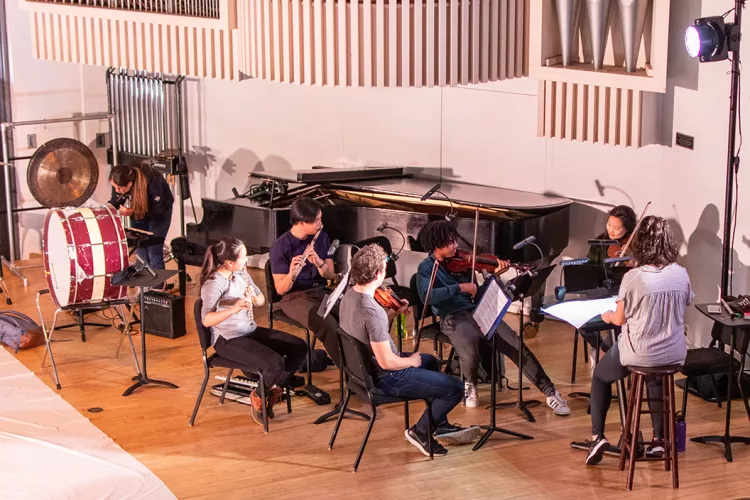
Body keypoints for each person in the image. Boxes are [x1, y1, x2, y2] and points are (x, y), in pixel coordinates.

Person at [416, 220, 570, 416]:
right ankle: (470, 385)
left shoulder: (464, 262)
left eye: (455, 240)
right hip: (452, 318)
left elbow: (478, 295)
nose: (456, 245)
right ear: (437, 245)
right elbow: (426, 296)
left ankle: (550, 392)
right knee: (470, 347)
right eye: (450, 242)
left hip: (477, 311)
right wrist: (459, 287)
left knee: (515, 344)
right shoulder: (427, 268)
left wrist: (494, 277)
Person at [339, 243, 480, 456]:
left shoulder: (349, 296)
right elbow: (387, 362)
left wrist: (394, 314)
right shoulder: (372, 311)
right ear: (378, 274)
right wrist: (410, 362)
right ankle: (420, 432)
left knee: (431, 362)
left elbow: (370, 334)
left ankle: (438, 424)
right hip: (385, 377)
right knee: (455, 388)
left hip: (362, 372)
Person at [586, 216, 692, 465]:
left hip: (640, 352)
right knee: (654, 377)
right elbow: (683, 304)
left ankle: (597, 437)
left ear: (641, 243)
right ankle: (658, 440)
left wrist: (607, 314)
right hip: (673, 353)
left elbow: (620, 319)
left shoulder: (634, 277)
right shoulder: (681, 274)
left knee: (601, 376)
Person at [200, 237, 308, 425]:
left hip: (249, 331)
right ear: (229, 263)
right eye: (243, 257)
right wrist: (234, 308)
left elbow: (261, 300)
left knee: (298, 347)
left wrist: (253, 298)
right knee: (274, 364)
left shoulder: (241, 273)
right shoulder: (213, 284)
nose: (246, 261)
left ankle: (272, 388)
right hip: (228, 340)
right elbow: (207, 320)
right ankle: (259, 396)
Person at [269, 197, 340, 367]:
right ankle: (351, 373)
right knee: (327, 325)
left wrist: (319, 262)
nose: (320, 223)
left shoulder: (321, 237)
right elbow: (280, 289)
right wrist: (291, 274)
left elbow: (330, 275)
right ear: (301, 223)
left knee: (351, 314)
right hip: (294, 297)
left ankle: (368, 365)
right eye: (316, 220)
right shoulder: (281, 247)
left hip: (320, 290)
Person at [583, 205, 638, 372]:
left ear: (628, 229)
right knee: (583, 321)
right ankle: (598, 346)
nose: (611, 231)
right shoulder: (599, 242)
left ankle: (608, 351)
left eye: (617, 228)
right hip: (600, 293)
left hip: (624, 297)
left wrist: (631, 261)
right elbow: (588, 266)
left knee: (621, 321)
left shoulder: (634, 245)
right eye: (609, 225)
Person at [109, 163, 175, 271]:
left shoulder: (152, 180)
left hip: (159, 212)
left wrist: (132, 213)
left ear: (129, 184)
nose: (116, 190)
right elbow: (115, 201)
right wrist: (104, 210)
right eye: (114, 187)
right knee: (140, 249)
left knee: (154, 250)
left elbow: (158, 211)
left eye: (119, 188)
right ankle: (143, 284)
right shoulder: (119, 181)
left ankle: (158, 286)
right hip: (137, 211)